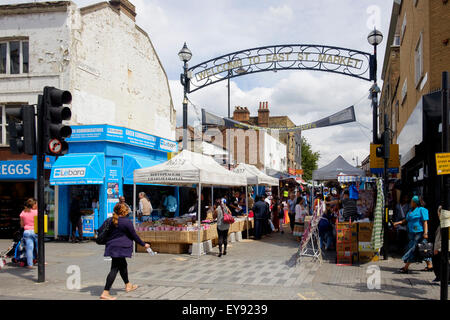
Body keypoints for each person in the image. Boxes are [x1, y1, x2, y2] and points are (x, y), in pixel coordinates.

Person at [100, 203, 150, 300]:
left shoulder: (109, 220)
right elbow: (134, 236)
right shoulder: (126, 222)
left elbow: (101, 230)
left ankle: (128, 285)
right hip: (121, 248)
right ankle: (105, 292)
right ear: (124, 211)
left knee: (123, 265)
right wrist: (144, 244)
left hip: (112, 247)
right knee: (114, 269)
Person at [393, 196, 433, 274]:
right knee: (424, 249)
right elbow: (406, 220)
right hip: (411, 233)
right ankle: (429, 266)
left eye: (412, 201)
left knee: (413, 249)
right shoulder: (411, 211)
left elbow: (425, 222)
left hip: (419, 234)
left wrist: (425, 233)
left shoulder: (422, 210)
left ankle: (406, 267)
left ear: (415, 202)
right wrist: (397, 223)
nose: (411, 202)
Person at [432, 206, 450, 283]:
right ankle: (441, 277)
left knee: (442, 263)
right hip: (444, 247)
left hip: (442, 247)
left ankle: (445, 278)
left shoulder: (444, 224)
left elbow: (440, 238)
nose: (438, 214)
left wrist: (437, 248)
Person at [19, 198, 38, 269]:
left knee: (29, 249)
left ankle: (30, 264)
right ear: (33, 205)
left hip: (26, 232)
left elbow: (21, 224)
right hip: (36, 231)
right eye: (36, 203)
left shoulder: (23, 212)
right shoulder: (37, 212)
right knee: (39, 247)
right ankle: (42, 261)